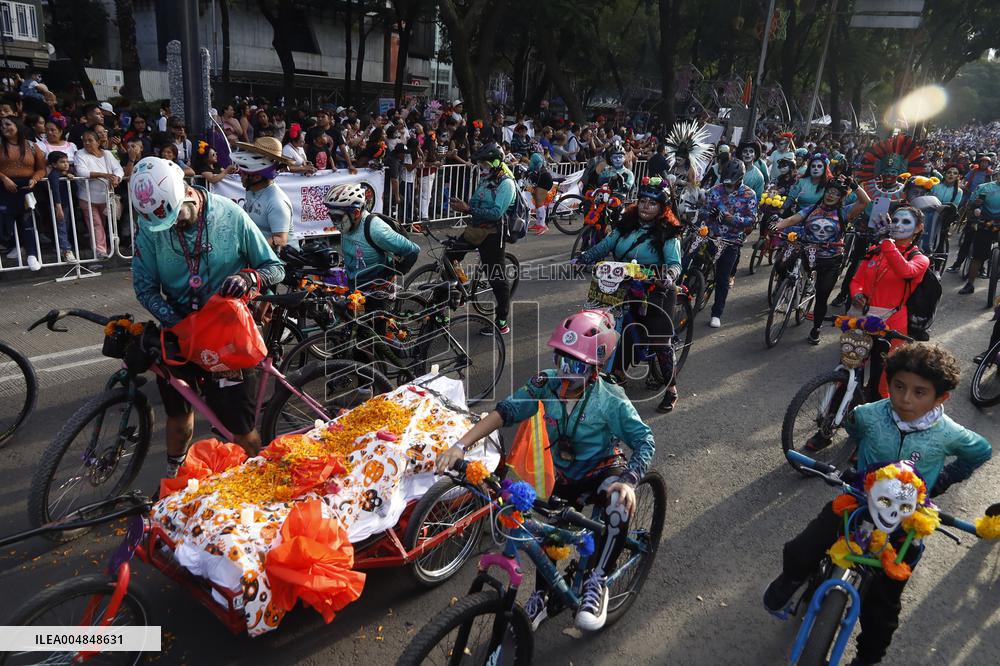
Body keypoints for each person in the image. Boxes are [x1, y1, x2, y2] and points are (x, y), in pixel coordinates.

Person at [764, 343, 991, 666]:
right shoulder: (870, 414)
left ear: (941, 398)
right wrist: (859, 464)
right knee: (802, 548)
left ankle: (868, 657)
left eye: (920, 392)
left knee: (883, 607)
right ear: (889, 382)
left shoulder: (949, 434)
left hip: (905, 521)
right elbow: (854, 427)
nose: (905, 399)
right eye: (898, 386)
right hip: (859, 501)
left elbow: (980, 452)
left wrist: (941, 481)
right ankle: (791, 579)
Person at [436, 308, 656, 632]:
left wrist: (629, 480)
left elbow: (645, 440)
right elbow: (505, 411)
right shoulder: (546, 384)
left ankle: (598, 580)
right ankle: (541, 594)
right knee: (547, 533)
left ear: (595, 368)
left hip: (601, 472)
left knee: (617, 505)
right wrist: (460, 446)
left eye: (576, 365)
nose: (564, 372)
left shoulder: (611, 400)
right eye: (560, 359)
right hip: (562, 475)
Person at [130, 157, 285, 473]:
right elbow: (144, 288)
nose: (170, 227)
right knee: (177, 413)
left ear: (187, 193)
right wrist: (179, 325)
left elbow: (275, 267)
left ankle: (259, 478)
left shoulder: (229, 215)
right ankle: (175, 474)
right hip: (180, 331)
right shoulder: (150, 226)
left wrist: (249, 279)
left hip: (228, 337)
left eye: (175, 218)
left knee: (240, 429)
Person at [578, 177, 684, 412]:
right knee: (604, 323)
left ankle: (671, 389)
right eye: (643, 201)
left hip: (655, 288)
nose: (646, 206)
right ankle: (616, 371)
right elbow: (605, 245)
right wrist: (583, 257)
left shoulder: (668, 232)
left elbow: (675, 263)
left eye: (653, 203)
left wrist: (669, 276)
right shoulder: (626, 222)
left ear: (662, 207)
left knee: (659, 339)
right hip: (620, 284)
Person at [773, 174, 871, 345]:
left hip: (831, 261)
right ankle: (788, 287)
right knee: (780, 263)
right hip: (807, 253)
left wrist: (855, 186)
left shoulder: (844, 212)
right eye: (829, 192)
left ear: (841, 198)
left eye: (836, 194)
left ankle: (816, 328)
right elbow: (792, 219)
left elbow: (865, 202)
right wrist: (776, 226)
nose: (831, 195)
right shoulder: (812, 209)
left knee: (821, 296)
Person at [850, 206, 930, 400]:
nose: (898, 225)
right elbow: (856, 280)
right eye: (895, 220)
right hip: (862, 316)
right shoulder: (874, 251)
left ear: (918, 228)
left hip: (893, 324)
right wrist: (857, 294)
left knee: (881, 380)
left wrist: (887, 242)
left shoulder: (920, 258)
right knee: (849, 366)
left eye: (906, 221)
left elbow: (906, 271)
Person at [447, 144, 517, 334]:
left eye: (484, 163)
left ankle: (501, 322)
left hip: (494, 233)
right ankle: (461, 291)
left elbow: (495, 213)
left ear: (495, 163)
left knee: (496, 277)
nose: (482, 167)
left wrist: (469, 209)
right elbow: (474, 201)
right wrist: (465, 206)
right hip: (476, 229)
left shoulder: (507, 184)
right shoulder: (486, 180)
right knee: (450, 256)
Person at [322, 182, 419, 310]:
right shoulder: (348, 224)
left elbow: (413, 250)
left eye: (337, 217)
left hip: (377, 290)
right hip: (356, 285)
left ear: (356, 212)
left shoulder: (376, 229)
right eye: (331, 216)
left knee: (373, 322)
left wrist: (394, 270)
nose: (334, 222)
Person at [698, 159, 758, 328]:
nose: (728, 187)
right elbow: (702, 211)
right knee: (693, 263)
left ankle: (716, 313)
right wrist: (708, 213)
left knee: (722, 279)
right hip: (710, 237)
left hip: (730, 241)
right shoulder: (715, 190)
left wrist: (733, 219)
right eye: (726, 183)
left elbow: (751, 220)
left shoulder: (749, 195)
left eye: (731, 184)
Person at [230, 136, 294, 250]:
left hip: (277, 258)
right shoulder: (251, 190)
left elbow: (281, 239)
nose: (240, 176)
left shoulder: (276, 202)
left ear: (257, 177)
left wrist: (250, 248)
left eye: (243, 173)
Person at [0, 117, 45, 270]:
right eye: (2, 125)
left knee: (27, 221)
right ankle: (13, 246)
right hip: (4, 188)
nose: (3, 127)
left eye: (8, 124)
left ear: (18, 126)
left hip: (26, 188)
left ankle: (32, 255)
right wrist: (4, 178)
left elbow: (41, 169)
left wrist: (35, 179)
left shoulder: (31, 146)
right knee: (5, 220)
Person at [73, 129, 123, 260]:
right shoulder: (80, 154)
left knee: (103, 224)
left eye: (90, 140)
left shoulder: (107, 154)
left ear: (98, 142)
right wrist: (104, 175)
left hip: (105, 197)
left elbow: (118, 169)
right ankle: (100, 252)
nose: (87, 143)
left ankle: (102, 249)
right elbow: (82, 172)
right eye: (85, 141)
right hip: (87, 198)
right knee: (96, 224)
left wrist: (116, 178)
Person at [957, 170, 1000, 295]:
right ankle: (970, 284)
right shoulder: (984, 188)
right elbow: (970, 205)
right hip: (986, 223)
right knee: (978, 256)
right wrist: (975, 205)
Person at [46, 150, 76, 262]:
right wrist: (58, 208)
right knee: (61, 227)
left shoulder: (63, 173)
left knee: (65, 227)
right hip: (58, 205)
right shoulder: (53, 175)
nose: (66, 164)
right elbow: (55, 191)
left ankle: (61, 247)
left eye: (67, 161)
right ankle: (66, 251)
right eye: (62, 162)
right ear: (54, 164)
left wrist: (67, 175)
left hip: (65, 204)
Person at [525, 152, 555, 235]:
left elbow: (535, 169)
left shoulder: (535, 158)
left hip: (544, 179)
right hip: (542, 179)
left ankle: (543, 225)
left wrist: (530, 172)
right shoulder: (535, 157)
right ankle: (538, 223)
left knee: (539, 203)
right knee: (537, 203)